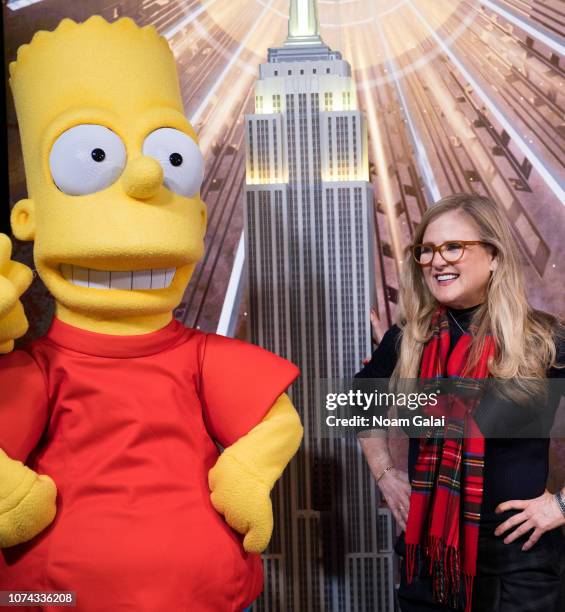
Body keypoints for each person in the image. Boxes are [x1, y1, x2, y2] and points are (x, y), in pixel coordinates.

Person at [356, 194, 565, 611]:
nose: (437, 261)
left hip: (517, 565)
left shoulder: (541, 339)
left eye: (453, 247)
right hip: (427, 560)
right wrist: (384, 472)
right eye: (427, 250)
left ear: (493, 256)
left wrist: (560, 505)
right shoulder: (409, 338)